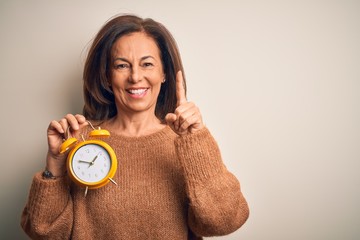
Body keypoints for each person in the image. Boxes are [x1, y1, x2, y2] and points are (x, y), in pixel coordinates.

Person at [21, 14, 249, 239]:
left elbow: (225, 222)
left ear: (164, 74)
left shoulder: (188, 143)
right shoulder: (79, 142)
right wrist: (55, 163)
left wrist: (196, 140)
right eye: (122, 65)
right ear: (107, 76)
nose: (135, 77)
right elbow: (43, 232)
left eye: (147, 64)